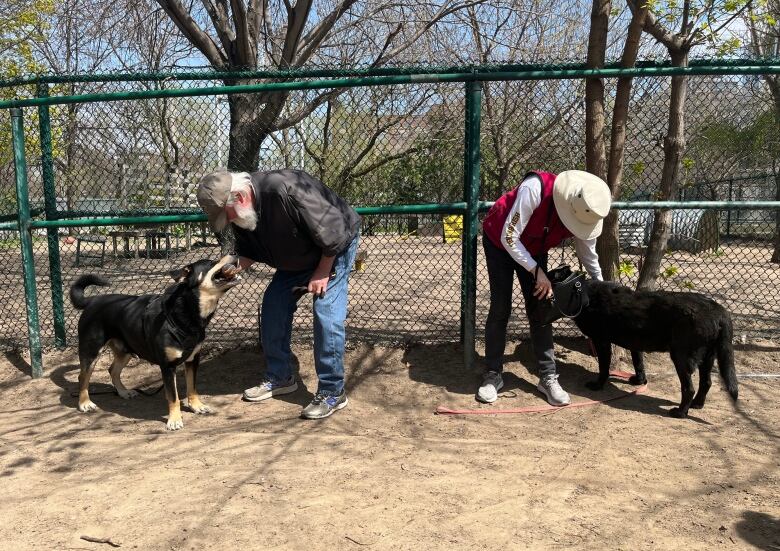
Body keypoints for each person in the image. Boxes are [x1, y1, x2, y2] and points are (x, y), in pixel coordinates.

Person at [196, 169, 361, 419]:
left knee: (325, 313)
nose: (226, 220)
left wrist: (322, 272)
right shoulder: (243, 214)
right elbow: (249, 252)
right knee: (274, 306)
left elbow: (334, 232)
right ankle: (280, 376)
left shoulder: (286, 189)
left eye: (225, 213)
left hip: (333, 250)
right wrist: (222, 275)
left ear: (239, 198)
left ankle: (332, 391)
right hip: (297, 257)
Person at [479, 170, 611, 406]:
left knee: (541, 308)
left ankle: (548, 377)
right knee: (501, 307)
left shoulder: (587, 210)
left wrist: (601, 287)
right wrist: (536, 271)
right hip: (501, 240)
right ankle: (492, 375)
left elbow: (588, 254)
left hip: (534, 246)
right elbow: (510, 236)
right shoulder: (535, 189)